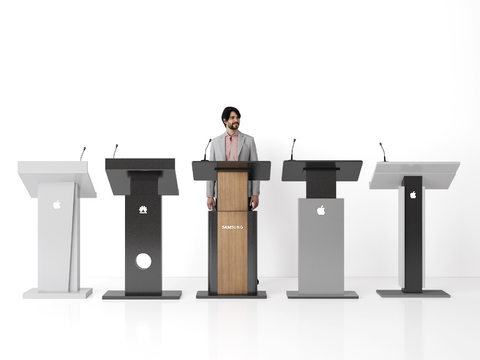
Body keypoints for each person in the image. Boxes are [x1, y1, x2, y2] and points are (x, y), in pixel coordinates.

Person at [207, 106, 260, 210]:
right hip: (222, 190)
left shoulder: (249, 141)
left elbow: (256, 168)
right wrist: (210, 195)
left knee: (244, 224)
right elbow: (211, 171)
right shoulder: (215, 142)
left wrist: (255, 194)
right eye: (233, 117)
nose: (236, 120)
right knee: (222, 224)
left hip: (244, 190)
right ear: (225, 120)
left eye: (238, 117)